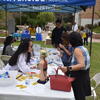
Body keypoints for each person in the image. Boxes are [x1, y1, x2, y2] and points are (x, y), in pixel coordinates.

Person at [59, 32, 91, 100]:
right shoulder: (83, 48)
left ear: (72, 40)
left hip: (79, 78)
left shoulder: (77, 50)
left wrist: (68, 68)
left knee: (78, 96)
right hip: (84, 76)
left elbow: (82, 65)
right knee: (81, 97)